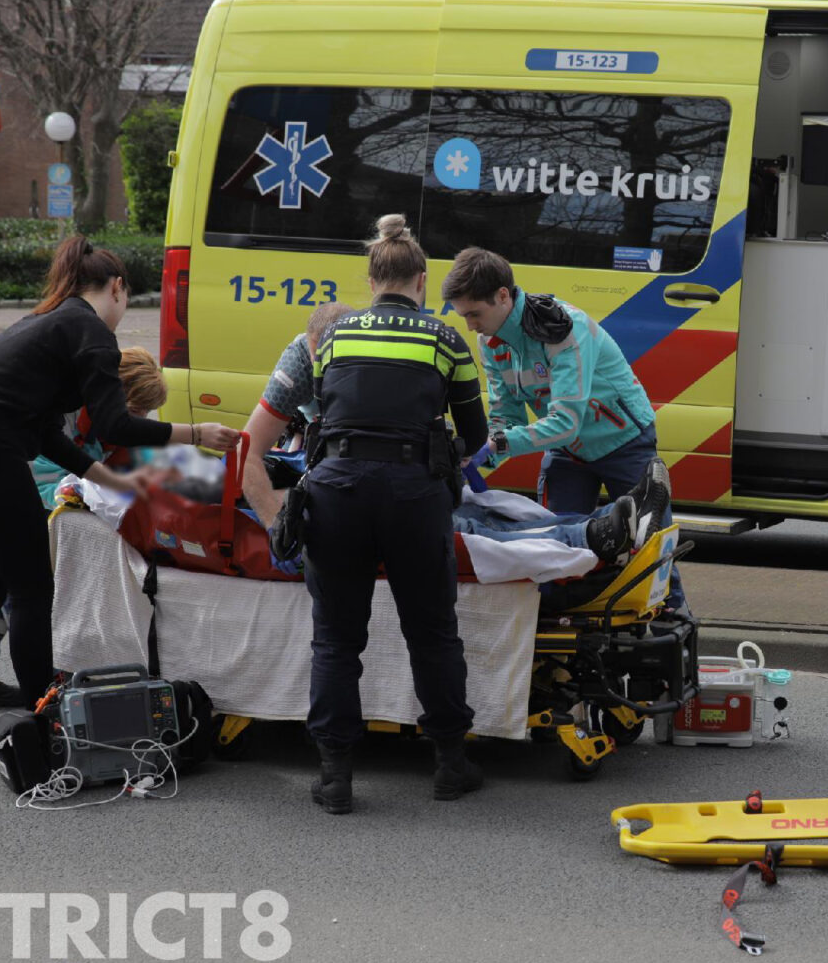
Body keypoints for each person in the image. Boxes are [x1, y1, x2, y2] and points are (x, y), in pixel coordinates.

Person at [0, 235, 240, 764]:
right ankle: (41, 729)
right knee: (30, 593)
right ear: (117, 287)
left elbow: (47, 430)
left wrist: (103, 477)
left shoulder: (50, 319)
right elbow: (119, 423)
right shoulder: (91, 333)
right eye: (126, 297)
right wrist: (195, 433)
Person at [303, 214, 488, 813]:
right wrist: (430, 456)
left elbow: (320, 411)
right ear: (421, 279)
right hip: (412, 494)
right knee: (432, 632)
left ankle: (335, 777)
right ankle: (450, 764)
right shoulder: (445, 338)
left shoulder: (334, 336)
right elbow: (476, 432)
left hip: (336, 489)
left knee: (335, 639)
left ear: (372, 277)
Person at [0, 346, 171, 707]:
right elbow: (37, 478)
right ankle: (31, 691)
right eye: (133, 413)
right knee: (15, 589)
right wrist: (82, 491)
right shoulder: (58, 404)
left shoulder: (83, 404)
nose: (136, 422)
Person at [440, 247, 680, 606]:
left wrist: (498, 445)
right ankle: (566, 645)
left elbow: (566, 424)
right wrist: (476, 457)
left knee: (652, 554)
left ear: (502, 296)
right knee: (550, 549)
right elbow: (508, 417)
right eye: (463, 315)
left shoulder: (565, 327)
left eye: (474, 313)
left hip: (624, 441)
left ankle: (676, 633)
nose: (470, 325)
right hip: (568, 453)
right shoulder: (490, 341)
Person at [241, 302, 351, 529]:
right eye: (314, 357)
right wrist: (276, 528)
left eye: (326, 359)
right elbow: (246, 451)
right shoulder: (297, 363)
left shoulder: (372, 359)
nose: (317, 366)